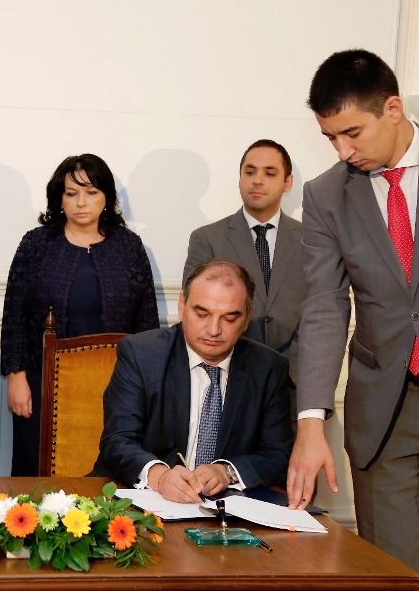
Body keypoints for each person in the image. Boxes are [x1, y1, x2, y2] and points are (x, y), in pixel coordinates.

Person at [287, 49, 419, 569]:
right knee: (394, 571)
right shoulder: (325, 196)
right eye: (330, 138)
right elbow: (324, 307)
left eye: (352, 133)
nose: (343, 151)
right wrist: (310, 423)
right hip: (385, 415)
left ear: (393, 108)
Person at [0, 153, 159, 476]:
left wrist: (147, 387)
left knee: (109, 473)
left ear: (106, 197)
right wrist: (16, 377)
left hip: (115, 385)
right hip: (43, 383)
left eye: (91, 192)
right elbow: (15, 314)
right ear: (59, 199)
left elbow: (147, 322)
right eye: (71, 193)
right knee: (37, 477)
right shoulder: (36, 244)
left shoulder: (129, 247)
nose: (81, 203)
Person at [92, 259, 294, 502]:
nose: (214, 329)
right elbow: (118, 440)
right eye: (202, 314)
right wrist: (159, 476)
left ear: (247, 317)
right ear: (182, 305)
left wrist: (226, 472)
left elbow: (278, 455)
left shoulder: (269, 368)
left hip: (224, 509)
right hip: (137, 500)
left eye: (229, 318)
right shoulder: (141, 354)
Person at [183, 139, 305, 381]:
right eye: (249, 172)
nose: (257, 180)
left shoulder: (312, 240)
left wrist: (287, 368)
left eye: (269, 173)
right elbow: (195, 311)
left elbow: (321, 313)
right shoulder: (207, 239)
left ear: (287, 182)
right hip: (228, 378)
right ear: (240, 178)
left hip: (295, 380)